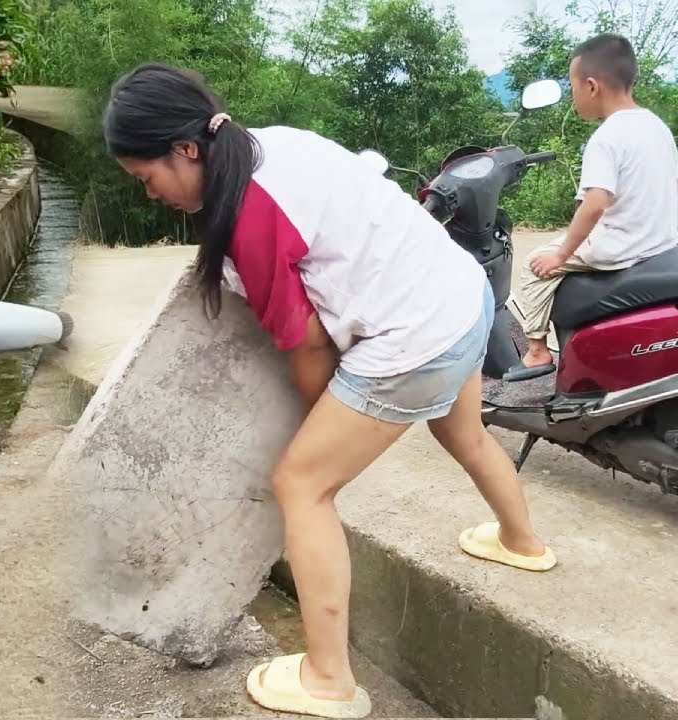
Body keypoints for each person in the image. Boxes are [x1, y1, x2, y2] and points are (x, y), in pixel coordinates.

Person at [102, 63, 556, 719]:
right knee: (463, 432)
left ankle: (328, 679)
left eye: (147, 179)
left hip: (416, 339)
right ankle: (523, 543)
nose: (151, 195)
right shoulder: (274, 145)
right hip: (462, 300)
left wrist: (325, 429)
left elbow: (308, 343)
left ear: (187, 149)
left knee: (302, 485)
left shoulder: (251, 217)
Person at [511, 33, 678, 377]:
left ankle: (538, 351)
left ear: (591, 86)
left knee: (532, 266)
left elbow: (595, 204)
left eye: (572, 88)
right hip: (658, 241)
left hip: (619, 245)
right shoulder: (656, 126)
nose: (573, 99)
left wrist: (559, 255)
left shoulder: (606, 137)